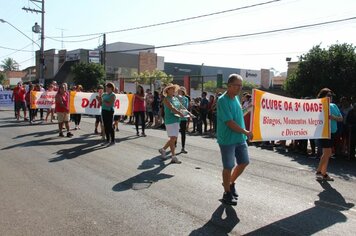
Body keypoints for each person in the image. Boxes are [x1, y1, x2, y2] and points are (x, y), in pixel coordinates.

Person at [217, 74, 253, 206]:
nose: (240, 88)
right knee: (228, 166)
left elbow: (239, 115)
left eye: (241, 85)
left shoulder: (236, 98)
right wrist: (246, 132)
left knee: (244, 162)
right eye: (237, 85)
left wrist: (248, 109)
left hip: (240, 138)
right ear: (229, 86)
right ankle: (227, 193)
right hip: (227, 139)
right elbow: (229, 122)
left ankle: (230, 183)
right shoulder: (222, 100)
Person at [316, 88, 343, 181]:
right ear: (323, 96)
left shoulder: (334, 106)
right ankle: (319, 172)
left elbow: (341, 118)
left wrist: (332, 117)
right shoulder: (319, 105)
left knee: (328, 153)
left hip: (332, 132)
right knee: (327, 152)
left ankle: (323, 173)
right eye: (328, 95)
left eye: (331, 96)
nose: (330, 97)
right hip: (323, 132)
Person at [158, 83, 185, 164]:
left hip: (177, 120)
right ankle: (173, 156)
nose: (173, 90)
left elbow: (181, 107)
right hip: (169, 120)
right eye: (171, 89)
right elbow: (172, 108)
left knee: (174, 139)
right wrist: (180, 113)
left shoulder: (175, 98)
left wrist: (188, 114)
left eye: (174, 89)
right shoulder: (166, 99)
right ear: (167, 90)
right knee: (173, 138)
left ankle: (163, 150)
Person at [178, 86, 189, 154]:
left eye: (181, 90)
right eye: (179, 90)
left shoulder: (186, 99)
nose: (180, 91)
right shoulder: (175, 98)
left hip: (183, 117)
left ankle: (183, 147)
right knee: (175, 133)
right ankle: (174, 144)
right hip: (177, 117)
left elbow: (186, 107)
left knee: (183, 133)